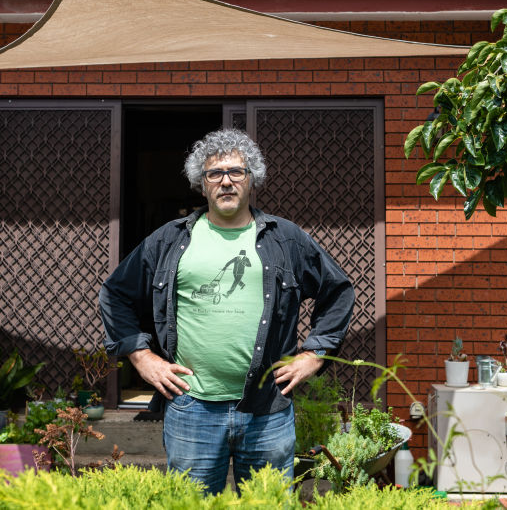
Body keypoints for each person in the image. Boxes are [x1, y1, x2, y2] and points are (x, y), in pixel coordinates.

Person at [99, 128, 354, 494]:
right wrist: (141, 357)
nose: (226, 182)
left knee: (266, 504)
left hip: (267, 411)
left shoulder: (285, 238)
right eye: (214, 174)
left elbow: (338, 291)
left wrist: (315, 354)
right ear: (201, 185)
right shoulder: (169, 240)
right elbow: (114, 294)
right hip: (191, 408)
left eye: (237, 172)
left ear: (252, 181)